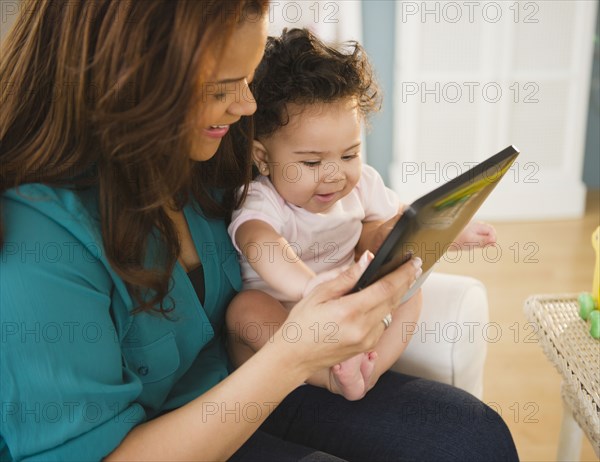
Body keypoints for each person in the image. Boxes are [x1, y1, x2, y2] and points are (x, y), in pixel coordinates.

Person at [0, 1, 519, 461]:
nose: (248, 105)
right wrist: (295, 354)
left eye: (248, 80)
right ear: (133, 81)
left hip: (246, 387)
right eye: (225, 87)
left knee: (473, 437)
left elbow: (328, 222)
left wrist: (386, 244)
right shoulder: (36, 250)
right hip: (169, 436)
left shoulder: (206, 147)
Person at [226, 28, 497, 400]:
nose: (335, 174)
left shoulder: (363, 185)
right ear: (263, 158)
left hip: (346, 314)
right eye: (311, 162)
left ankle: (368, 370)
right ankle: (327, 376)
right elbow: (259, 242)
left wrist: (450, 231)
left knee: (410, 291)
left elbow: (403, 226)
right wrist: (312, 290)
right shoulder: (263, 198)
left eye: (349, 154)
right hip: (286, 319)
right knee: (244, 310)